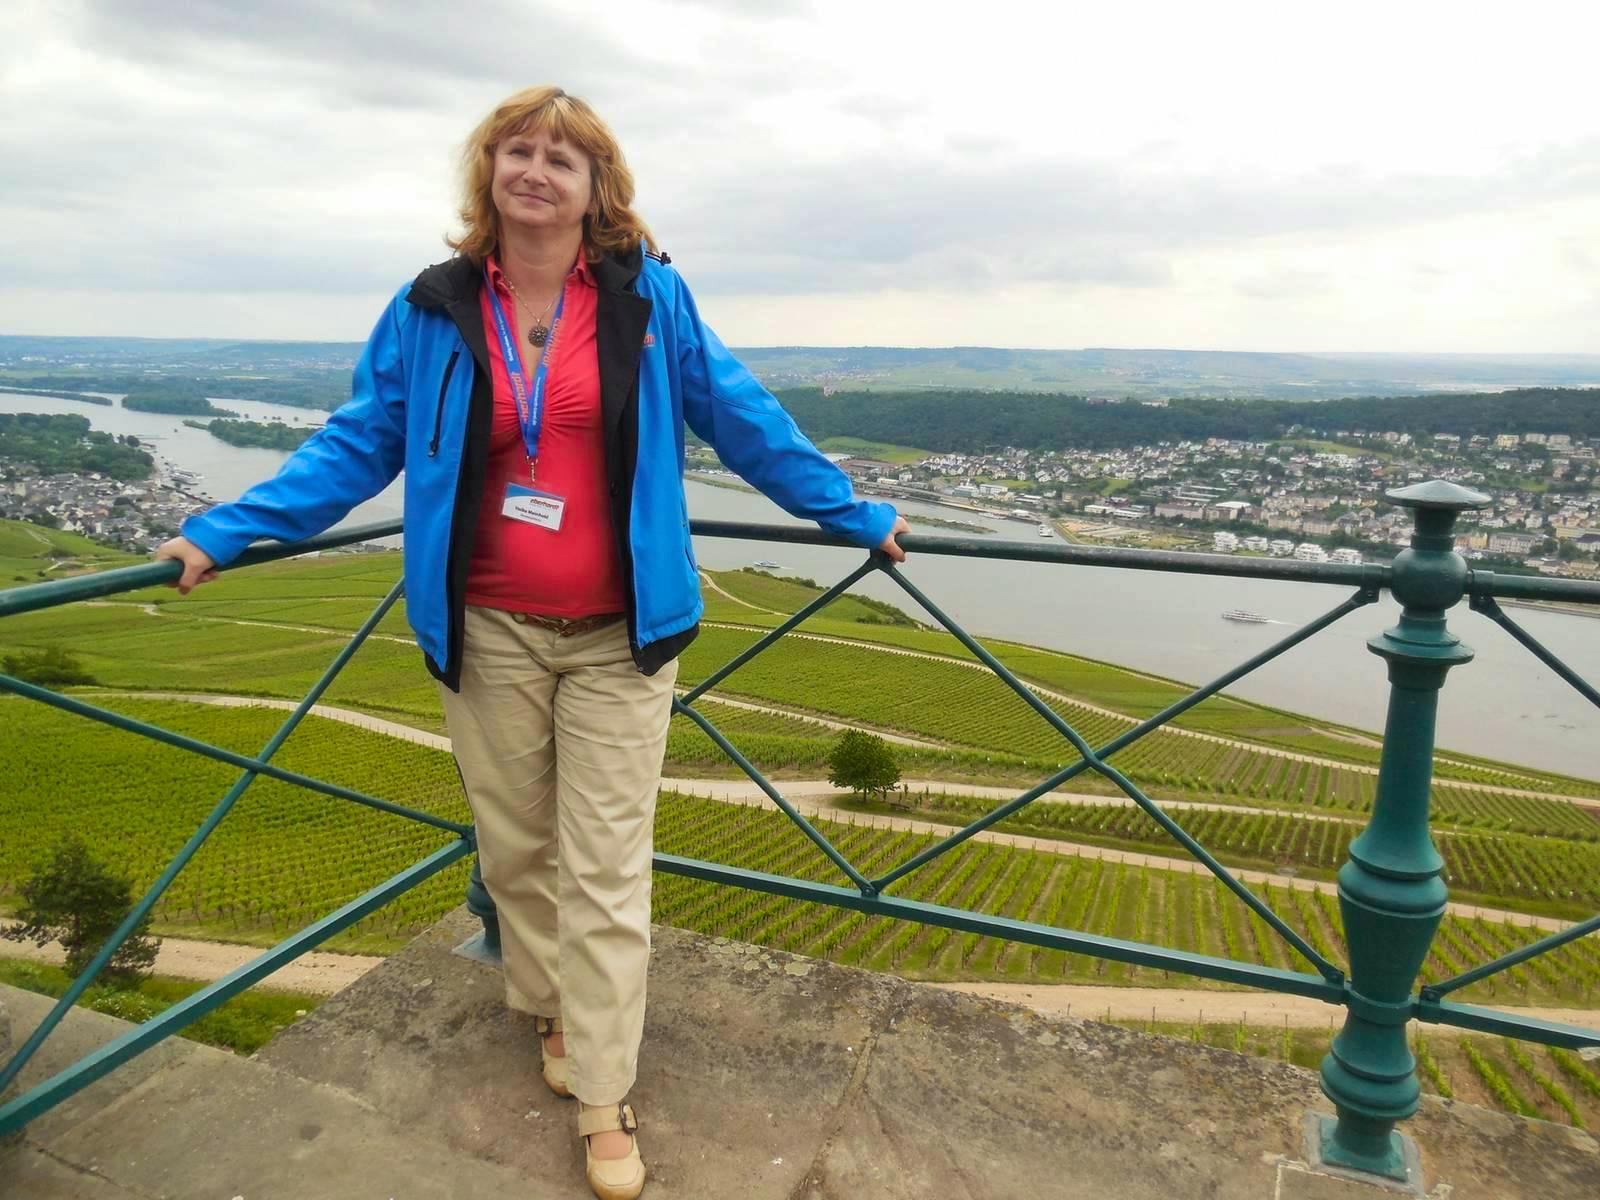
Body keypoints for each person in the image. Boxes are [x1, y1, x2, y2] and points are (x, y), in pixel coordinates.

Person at [156, 84, 908, 1200]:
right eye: (518, 150)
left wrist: (849, 510)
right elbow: (361, 439)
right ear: (488, 172)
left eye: (564, 156)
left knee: (605, 869)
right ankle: (553, 1011)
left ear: (597, 185)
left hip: (619, 635)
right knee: (514, 856)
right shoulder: (433, 305)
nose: (537, 170)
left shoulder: (647, 299)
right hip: (489, 630)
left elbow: (741, 414)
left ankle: (605, 1095)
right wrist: (228, 527)